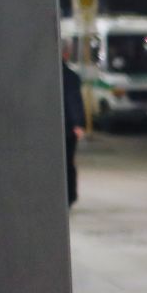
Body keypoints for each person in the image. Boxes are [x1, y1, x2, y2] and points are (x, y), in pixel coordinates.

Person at [63, 58, 86, 207]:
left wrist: (78, 123)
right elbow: (76, 100)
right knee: (68, 162)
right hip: (68, 128)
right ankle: (70, 195)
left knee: (66, 163)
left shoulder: (63, 76)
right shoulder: (71, 75)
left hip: (65, 128)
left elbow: (73, 100)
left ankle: (69, 195)